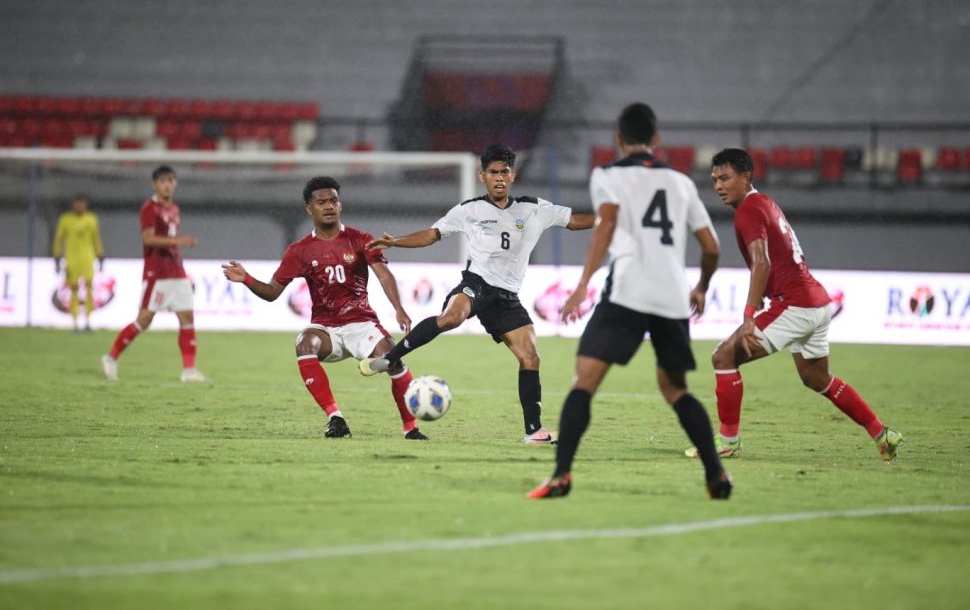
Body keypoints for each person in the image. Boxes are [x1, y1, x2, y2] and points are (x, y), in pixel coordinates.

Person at [528, 102, 732, 500]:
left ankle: (561, 477)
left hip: (628, 290)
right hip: (672, 295)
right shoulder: (682, 182)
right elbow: (711, 247)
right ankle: (716, 474)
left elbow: (606, 224)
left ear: (618, 140)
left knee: (584, 383)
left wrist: (583, 282)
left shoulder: (608, 175)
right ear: (656, 140)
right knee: (676, 389)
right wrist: (702, 286)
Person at [358, 143, 595, 444]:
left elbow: (574, 221)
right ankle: (390, 359)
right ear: (482, 176)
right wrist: (397, 242)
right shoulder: (468, 210)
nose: (499, 177)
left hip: (507, 297)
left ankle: (534, 432)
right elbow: (433, 234)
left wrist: (609, 218)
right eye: (493, 172)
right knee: (452, 317)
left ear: (513, 176)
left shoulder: (535, 209)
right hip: (476, 283)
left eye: (504, 172)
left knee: (531, 356)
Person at [686, 148, 903, 461]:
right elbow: (787, 255)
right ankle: (882, 433)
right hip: (816, 302)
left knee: (724, 357)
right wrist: (767, 293)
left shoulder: (749, 209)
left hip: (796, 305)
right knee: (816, 379)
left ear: (745, 178)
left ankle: (727, 442)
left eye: (725, 178)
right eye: (715, 180)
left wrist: (749, 316)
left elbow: (762, 262)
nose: (718, 186)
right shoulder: (767, 203)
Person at [222, 176, 427, 440]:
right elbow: (272, 293)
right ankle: (336, 418)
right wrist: (247, 279)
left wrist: (398, 308)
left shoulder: (360, 239)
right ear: (310, 209)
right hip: (326, 329)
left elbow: (384, 274)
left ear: (340, 205)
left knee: (394, 359)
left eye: (334, 200)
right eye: (322, 202)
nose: (329, 206)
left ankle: (411, 428)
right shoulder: (300, 251)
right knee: (304, 342)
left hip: (361, 324)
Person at [101, 165, 206, 382]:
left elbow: (170, 242)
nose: (167, 185)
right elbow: (148, 239)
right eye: (162, 181)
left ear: (175, 183)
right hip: (156, 273)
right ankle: (110, 358)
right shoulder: (150, 208)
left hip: (176, 272)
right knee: (144, 319)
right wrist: (179, 241)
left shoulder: (174, 209)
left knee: (187, 317)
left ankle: (189, 371)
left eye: (170, 180)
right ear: (155, 184)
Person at [52, 194, 104, 332]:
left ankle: (87, 320)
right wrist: (57, 256)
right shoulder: (66, 219)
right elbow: (59, 239)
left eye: (82, 203)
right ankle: (74, 321)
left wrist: (100, 254)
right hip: (72, 259)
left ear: (86, 204)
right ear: (73, 204)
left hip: (87, 258)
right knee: (73, 289)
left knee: (89, 288)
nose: (80, 206)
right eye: (77, 203)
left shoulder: (91, 218)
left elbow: (96, 238)